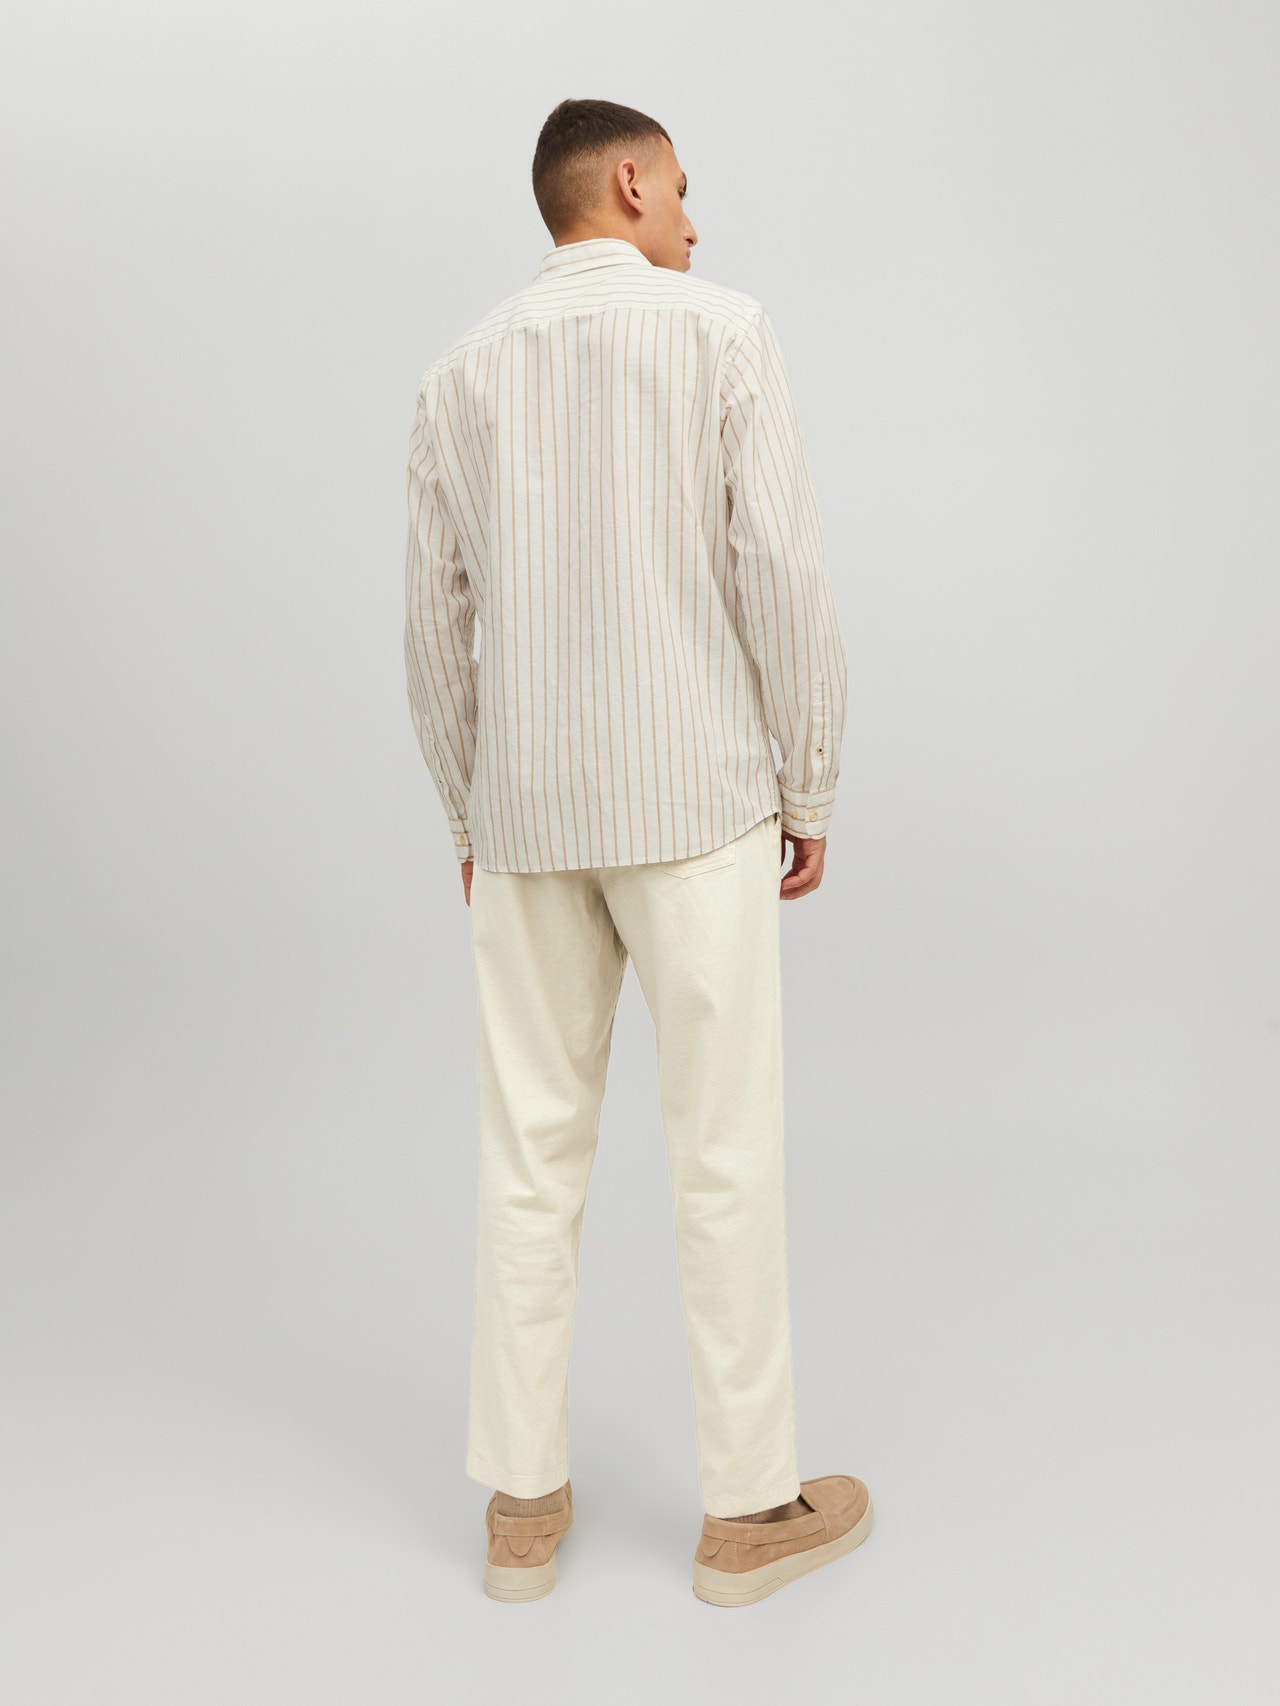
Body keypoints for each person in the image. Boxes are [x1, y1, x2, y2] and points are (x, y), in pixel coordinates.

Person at [403, 96, 872, 1606]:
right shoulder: (722, 330)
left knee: (528, 1156)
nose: (693, 216)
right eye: (680, 187)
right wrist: (808, 782)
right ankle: (747, 1513)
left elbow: (434, 632)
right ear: (627, 181)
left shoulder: (460, 371)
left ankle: (520, 1510)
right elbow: (780, 570)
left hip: (530, 823)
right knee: (721, 1151)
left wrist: (471, 814)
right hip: (696, 808)